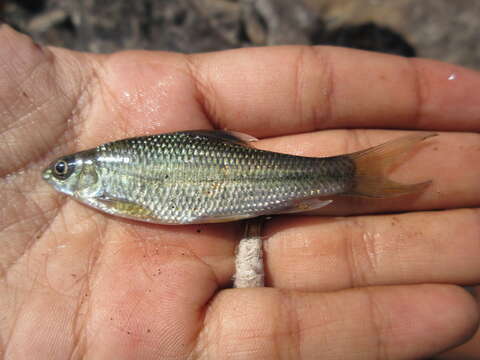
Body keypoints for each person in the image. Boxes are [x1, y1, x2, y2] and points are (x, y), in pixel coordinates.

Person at [0, 24, 479, 359]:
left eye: (64, 170)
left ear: (86, 172)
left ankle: (351, 174)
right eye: (65, 170)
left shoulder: (105, 185)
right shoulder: (103, 175)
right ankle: (353, 175)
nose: (58, 176)